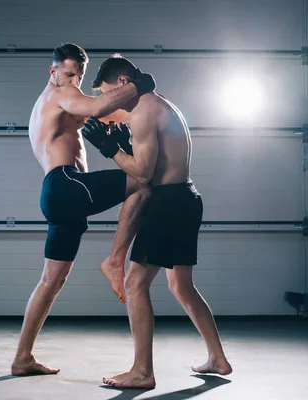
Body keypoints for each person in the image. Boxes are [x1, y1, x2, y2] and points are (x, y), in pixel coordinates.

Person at [80, 54, 233, 389]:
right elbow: (153, 160)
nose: (109, 103)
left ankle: (142, 372)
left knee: (135, 284)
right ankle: (218, 360)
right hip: (186, 198)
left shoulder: (145, 109)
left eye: (109, 94)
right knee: (181, 285)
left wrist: (109, 148)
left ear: (122, 83)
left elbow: (144, 174)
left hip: (169, 203)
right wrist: (122, 144)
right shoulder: (159, 104)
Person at [11, 44, 155, 376]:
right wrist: (139, 85)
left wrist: (122, 128)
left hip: (60, 194)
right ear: (54, 72)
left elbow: (105, 113)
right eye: (70, 73)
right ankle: (116, 259)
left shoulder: (63, 101)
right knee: (143, 181)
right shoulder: (58, 95)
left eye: (79, 74)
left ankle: (23, 358)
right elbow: (100, 104)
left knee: (52, 279)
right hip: (65, 184)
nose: (75, 79)